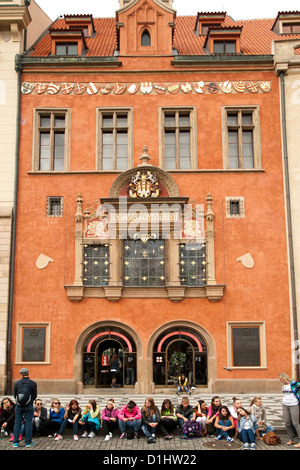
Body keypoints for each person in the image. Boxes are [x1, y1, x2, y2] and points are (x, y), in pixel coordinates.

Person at [13, 367, 37, 448]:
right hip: (29, 405)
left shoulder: (16, 383)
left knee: (17, 423)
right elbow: (35, 395)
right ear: (28, 373)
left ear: (21, 374)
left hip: (19, 406)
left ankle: (15, 442)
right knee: (28, 423)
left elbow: (15, 395)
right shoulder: (32, 383)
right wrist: (30, 401)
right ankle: (28, 442)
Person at [279, 372, 300, 448]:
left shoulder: (294, 383)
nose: (280, 381)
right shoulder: (283, 386)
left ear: (284, 378)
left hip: (294, 405)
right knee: (287, 423)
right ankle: (291, 439)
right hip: (285, 405)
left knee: (295, 423)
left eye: (281, 379)